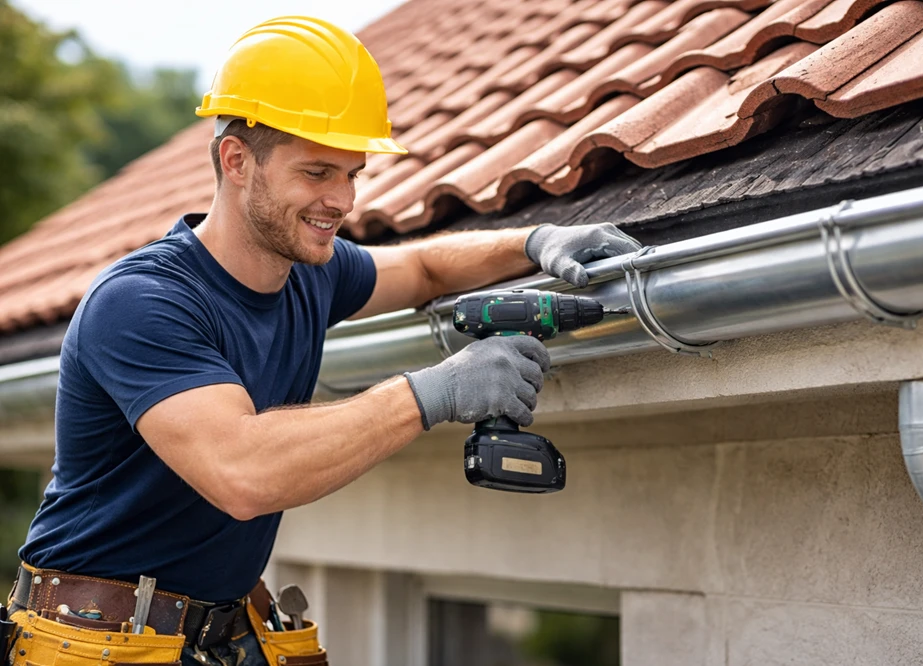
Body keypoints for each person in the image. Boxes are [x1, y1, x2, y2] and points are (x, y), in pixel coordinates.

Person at [5, 16, 641, 666]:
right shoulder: (144, 301)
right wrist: (438, 389)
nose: (342, 200)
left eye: (351, 173)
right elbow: (243, 471)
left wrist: (537, 242)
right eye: (317, 172)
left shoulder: (312, 270)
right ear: (236, 161)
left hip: (211, 639)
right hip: (90, 642)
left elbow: (422, 268)